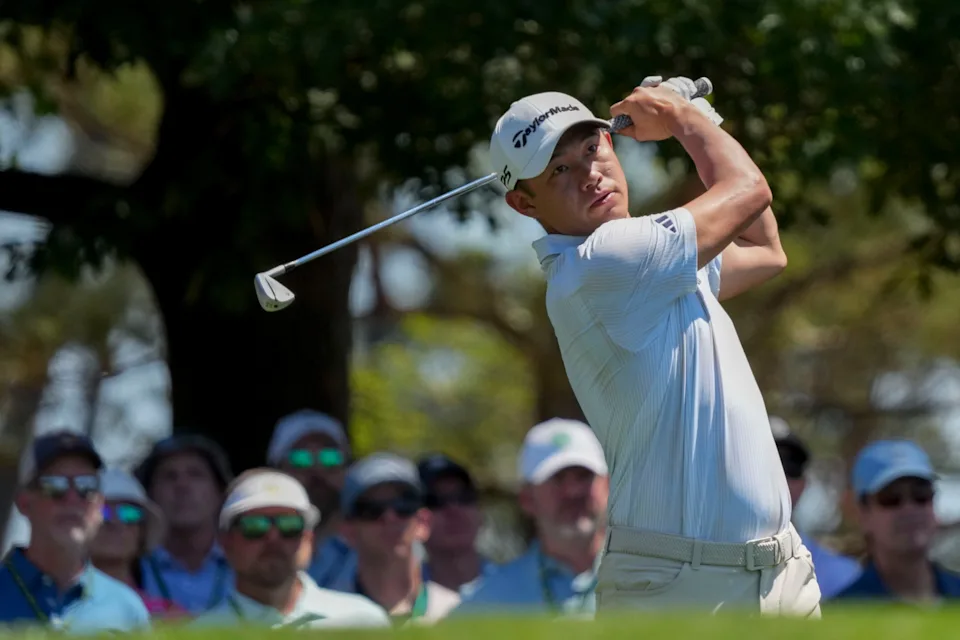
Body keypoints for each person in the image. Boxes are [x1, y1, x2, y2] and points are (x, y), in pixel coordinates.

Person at [488, 76, 819, 616]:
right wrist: (684, 120)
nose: (590, 174)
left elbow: (764, 248)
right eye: (560, 171)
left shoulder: (649, 261)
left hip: (781, 573)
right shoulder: (603, 264)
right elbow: (750, 190)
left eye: (591, 148)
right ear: (524, 203)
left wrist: (697, 119)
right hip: (683, 588)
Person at [191, 469, 390, 629]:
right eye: (254, 526)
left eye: (290, 525)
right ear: (226, 542)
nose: (273, 537)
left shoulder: (363, 622)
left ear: (309, 539)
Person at [0, 431, 150, 633]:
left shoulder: (127, 609)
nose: (72, 498)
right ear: (25, 503)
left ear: (99, 505)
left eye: (86, 485)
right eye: (54, 485)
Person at [454, 419, 607, 617]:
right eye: (557, 479)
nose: (573, 492)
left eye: (584, 476)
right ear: (527, 499)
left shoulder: (652, 581)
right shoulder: (485, 604)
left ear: (608, 486)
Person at [338, 452, 461, 624]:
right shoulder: (326, 619)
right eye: (372, 509)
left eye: (404, 505)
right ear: (347, 531)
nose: (390, 517)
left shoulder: (458, 613)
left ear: (423, 522)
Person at [834, 440, 960, 603]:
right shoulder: (844, 613)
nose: (909, 509)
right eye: (891, 497)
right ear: (863, 514)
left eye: (920, 494)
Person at [135, 434, 235, 613]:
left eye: (196, 475)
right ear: (149, 495)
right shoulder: (129, 566)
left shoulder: (245, 562)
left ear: (221, 493)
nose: (182, 486)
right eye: (169, 477)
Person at [770, 416, 861, 599]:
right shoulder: (700, 563)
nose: (779, 476)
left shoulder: (845, 576)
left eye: (790, 466)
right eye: (766, 463)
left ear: (804, 484)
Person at [266, 410, 355, 590]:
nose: (317, 470)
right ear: (277, 471)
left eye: (330, 458)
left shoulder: (374, 539)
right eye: (301, 459)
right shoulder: (253, 542)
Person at [90, 467, 187, 618]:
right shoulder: (53, 610)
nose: (116, 523)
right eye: (103, 512)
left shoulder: (169, 617)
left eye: (130, 513)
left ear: (143, 531)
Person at [417, 453, 495, 596]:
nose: (454, 509)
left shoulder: (518, 585)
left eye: (464, 497)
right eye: (435, 501)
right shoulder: (402, 598)